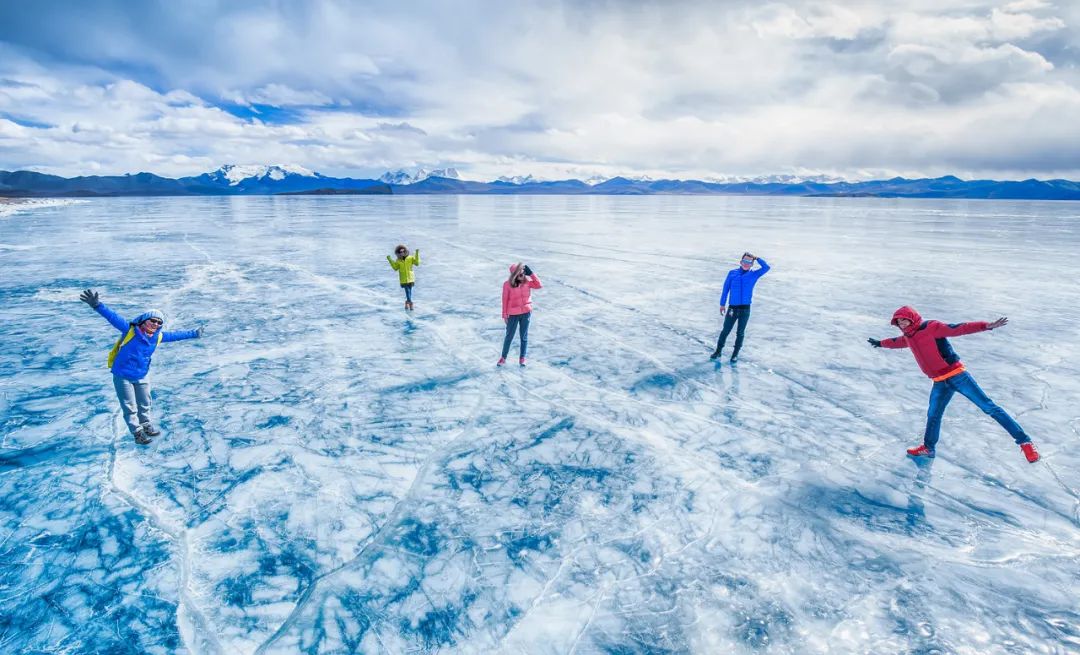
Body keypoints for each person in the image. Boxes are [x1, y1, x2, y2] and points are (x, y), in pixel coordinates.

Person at [868, 306, 1040, 463]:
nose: (902, 324)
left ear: (912, 318)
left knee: (989, 408)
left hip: (958, 376)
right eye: (899, 322)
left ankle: (1025, 442)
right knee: (933, 415)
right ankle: (928, 448)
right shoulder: (909, 337)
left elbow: (959, 328)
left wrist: (985, 326)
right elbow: (897, 342)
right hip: (939, 383)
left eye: (904, 320)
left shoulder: (931, 327)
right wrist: (880, 343)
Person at [80, 289, 203, 445]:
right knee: (129, 406)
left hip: (142, 374)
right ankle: (137, 433)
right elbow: (113, 317)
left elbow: (177, 335)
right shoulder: (130, 331)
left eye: (159, 322)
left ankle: (145, 425)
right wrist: (97, 305)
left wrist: (194, 333)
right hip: (123, 375)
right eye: (153, 320)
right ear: (144, 320)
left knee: (145, 402)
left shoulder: (157, 337)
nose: (156, 324)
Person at [711, 252, 770, 363]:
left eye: (749, 262)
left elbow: (766, 267)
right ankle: (718, 351)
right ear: (740, 262)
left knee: (740, 332)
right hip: (732, 308)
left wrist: (757, 258)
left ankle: (735, 354)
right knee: (725, 330)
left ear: (752, 264)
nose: (746, 264)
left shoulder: (754, 274)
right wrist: (722, 304)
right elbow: (725, 289)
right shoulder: (732, 273)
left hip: (745, 309)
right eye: (744, 261)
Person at [500, 262, 542, 367]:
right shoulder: (507, 284)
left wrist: (531, 273)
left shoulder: (527, 282)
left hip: (526, 313)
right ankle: (503, 357)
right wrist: (504, 314)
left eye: (523, 271)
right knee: (509, 336)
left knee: (524, 336)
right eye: (519, 272)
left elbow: (539, 285)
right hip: (513, 314)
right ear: (514, 274)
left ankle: (522, 358)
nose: (522, 274)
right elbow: (505, 300)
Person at [387, 244, 420, 310]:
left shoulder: (410, 258)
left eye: (403, 251)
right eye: (400, 252)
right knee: (407, 291)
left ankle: (407, 302)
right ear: (398, 253)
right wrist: (390, 259)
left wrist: (417, 253)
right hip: (403, 279)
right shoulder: (398, 260)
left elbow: (417, 263)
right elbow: (395, 268)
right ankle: (411, 304)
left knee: (409, 292)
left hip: (410, 278)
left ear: (405, 251)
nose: (402, 253)